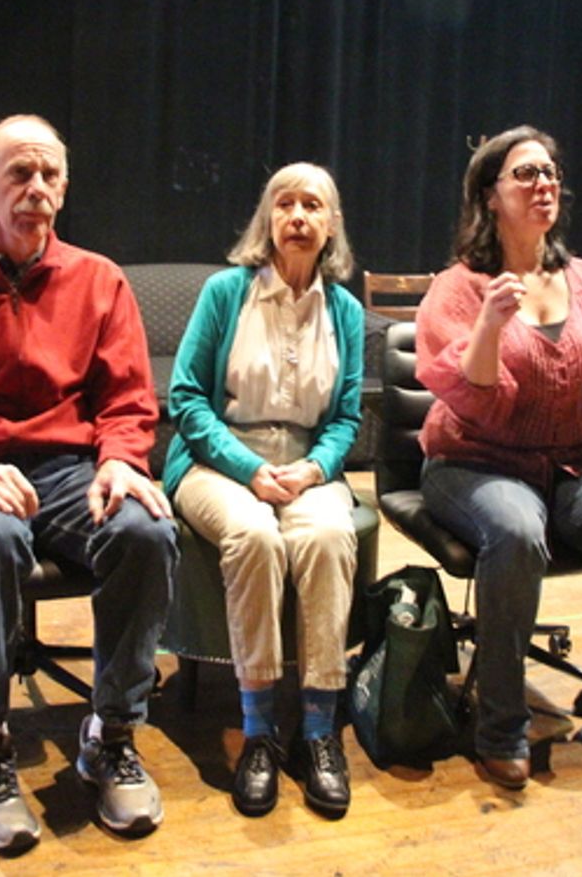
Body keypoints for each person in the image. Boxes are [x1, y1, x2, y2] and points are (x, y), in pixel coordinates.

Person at [0, 114, 178, 852]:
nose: (36, 189)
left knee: (146, 529)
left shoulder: (98, 280)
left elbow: (128, 401)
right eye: (20, 173)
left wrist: (118, 458)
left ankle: (111, 733)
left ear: (64, 188)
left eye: (49, 175)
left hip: (68, 466)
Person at [415, 125, 582, 791]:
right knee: (515, 530)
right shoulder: (460, 285)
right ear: (490, 195)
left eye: (550, 173)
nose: (544, 184)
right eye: (526, 174)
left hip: (567, 458)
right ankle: (500, 729)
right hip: (473, 460)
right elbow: (475, 401)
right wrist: (489, 324)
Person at [164, 162, 364, 819]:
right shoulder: (227, 292)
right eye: (286, 203)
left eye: (313, 204)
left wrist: (313, 469)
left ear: (330, 224)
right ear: (268, 220)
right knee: (252, 534)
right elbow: (186, 397)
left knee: (331, 535)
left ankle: (316, 731)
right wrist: (246, 468)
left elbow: (346, 417)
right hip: (215, 461)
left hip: (305, 466)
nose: (299, 216)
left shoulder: (347, 310)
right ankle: (257, 733)